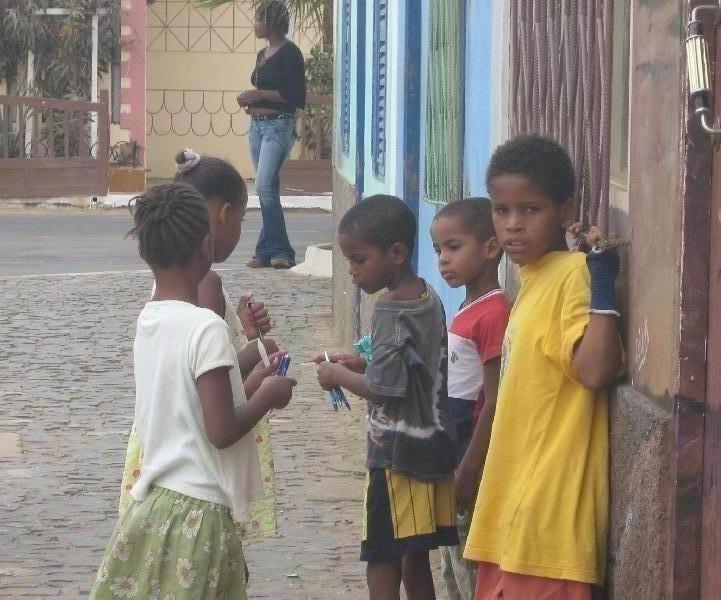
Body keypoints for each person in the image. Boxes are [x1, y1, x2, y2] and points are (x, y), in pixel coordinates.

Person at [91, 183, 296, 599]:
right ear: (206, 247)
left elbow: (190, 398)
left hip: (151, 503)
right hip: (198, 512)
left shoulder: (149, 320)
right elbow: (220, 429)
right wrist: (270, 394)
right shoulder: (208, 328)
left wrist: (253, 378)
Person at [463, 135, 624, 599]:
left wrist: (603, 283)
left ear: (565, 210)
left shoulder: (573, 276)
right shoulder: (532, 281)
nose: (512, 225)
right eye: (502, 210)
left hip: (547, 526)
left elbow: (594, 371)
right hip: (510, 523)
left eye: (530, 210)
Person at [119, 149, 282, 541]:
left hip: (161, 472)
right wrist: (266, 384)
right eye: (242, 218)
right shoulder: (205, 296)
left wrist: (251, 342)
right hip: (197, 479)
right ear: (221, 218)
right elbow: (214, 409)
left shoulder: (151, 315)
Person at [315, 195, 459, 600]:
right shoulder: (426, 296)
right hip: (432, 446)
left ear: (396, 253)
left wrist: (337, 374)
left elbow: (383, 389)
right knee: (416, 559)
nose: (352, 270)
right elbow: (409, 366)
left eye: (359, 259)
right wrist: (363, 361)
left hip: (396, 457)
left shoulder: (389, 309)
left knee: (382, 559)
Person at [430, 198, 510, 600]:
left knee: (469, 569)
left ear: (491, 248)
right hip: (452, 458)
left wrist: (468, 468)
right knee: (451, 569)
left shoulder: (494, 313)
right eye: (438, 251)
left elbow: (495, 400)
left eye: (454, 247)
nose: (444, 260)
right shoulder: (466, 307)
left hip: (469, 465)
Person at [237, 0, 306, 270]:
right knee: (269, 189)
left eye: (258, 20)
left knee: (264, 185)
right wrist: (249, 100)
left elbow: (295, 97)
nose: (255, 25)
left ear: (272, 22)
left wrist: (260, 94)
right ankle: (265, 252)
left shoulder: (291, 53)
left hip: (278, 125)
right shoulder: (262, 54)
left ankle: (282, 252)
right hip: (257, 125)